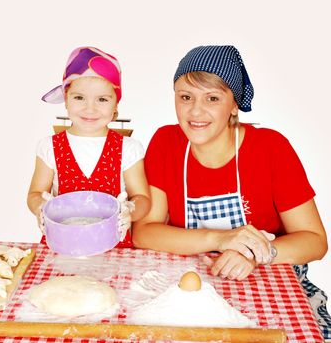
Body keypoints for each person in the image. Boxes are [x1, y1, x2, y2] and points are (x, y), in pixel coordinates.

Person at [133, 45, 330, 338]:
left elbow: (315, 241)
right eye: (186, 97)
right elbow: (144, 232)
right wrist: (221, 238)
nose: (195, 111)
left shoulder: (271, 148)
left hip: (267, 286)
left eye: (212, 98)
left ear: (234, 104)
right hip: (191, 291)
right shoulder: (166, 142)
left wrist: (257, 254)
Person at [27, 46, 150, 247]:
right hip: (63, 245)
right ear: (66, 99)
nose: (89, 108)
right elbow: (34, 193)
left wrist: (130, 209)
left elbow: (142, 198)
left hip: (113, 247)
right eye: (79, 97)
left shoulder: (128, 148)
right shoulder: (49, 146)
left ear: (115, 105)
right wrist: (41, 207)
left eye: (102, 99)